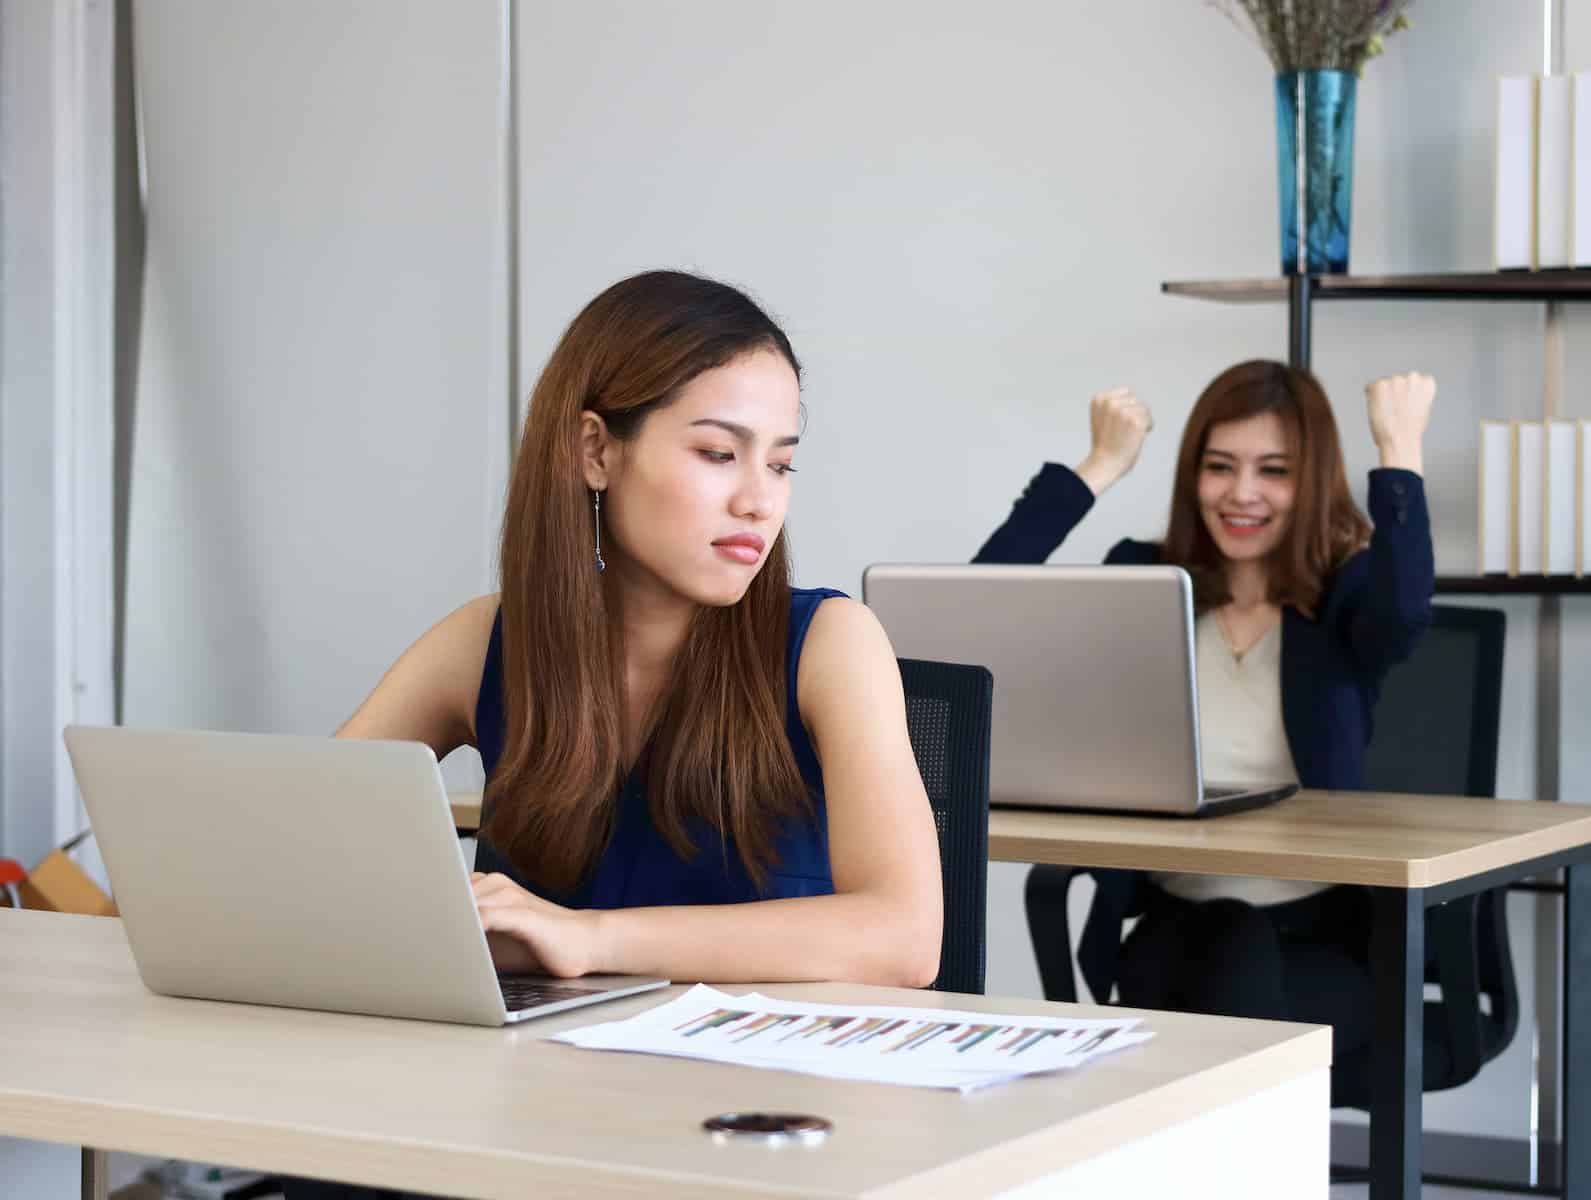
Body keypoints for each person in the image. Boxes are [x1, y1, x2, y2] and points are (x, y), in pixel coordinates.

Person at [282, 271, 944, 1198]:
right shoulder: (486, 641)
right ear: (596, 450)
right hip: (535, 1106)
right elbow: (292, 836)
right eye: (720, 454)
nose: (760, 500)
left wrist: (584, 936)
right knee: (333, 1165)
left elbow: (903, 937)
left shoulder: (829, 643)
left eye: (781, 463)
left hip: (756, 1125)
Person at [975, 360, 1435, 1097]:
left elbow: (1407, 611)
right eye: (1220, 467)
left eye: (1273, 471)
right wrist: (1099, 466)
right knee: (1221, 952)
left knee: (1235, 965)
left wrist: (1400, 448)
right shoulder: (1146, 581)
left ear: (1311, 480)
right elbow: (981, 603)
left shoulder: (1347, 600)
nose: (1242, 493)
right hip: (1170, 930)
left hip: (1318, 943)